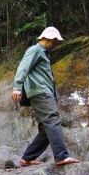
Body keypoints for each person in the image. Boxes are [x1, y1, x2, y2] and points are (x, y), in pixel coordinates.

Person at [12, 26, 81, 167]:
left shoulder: (43, 54)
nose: (56, 45)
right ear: (49, 39)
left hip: (42, 93)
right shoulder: (35, 50)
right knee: (53, 120)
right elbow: (23, 68)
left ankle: (27, 158)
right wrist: (17, 87)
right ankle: (61, 156)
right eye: (55, 41)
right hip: (40, 93)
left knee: (45, 128)